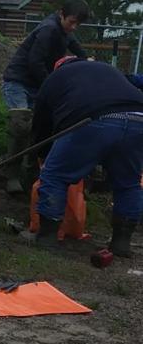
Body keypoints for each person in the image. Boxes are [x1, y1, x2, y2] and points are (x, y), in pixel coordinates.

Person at [30, 57, 143, 256]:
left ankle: (47, 237)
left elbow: (41, 123)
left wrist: (43, 155)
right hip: (138, 120)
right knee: (128, 183)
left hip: (94, 120)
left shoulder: (56, 77)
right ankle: (121, 242)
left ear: (58, 67)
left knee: (54, 176)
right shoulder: (108, 70)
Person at [1, 0, 90, 194]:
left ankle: (31, 174)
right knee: (21, 124)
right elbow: (35, 62)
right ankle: (11, 174)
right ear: (61, 14)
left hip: (37, 84)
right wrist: (51, 86)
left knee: (39, 127)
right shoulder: (48, 29)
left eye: (78, 24)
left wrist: (88, 63)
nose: (74, 27)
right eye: (72, 22)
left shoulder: (65, 31)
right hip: (18, 81)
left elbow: (78, 50)